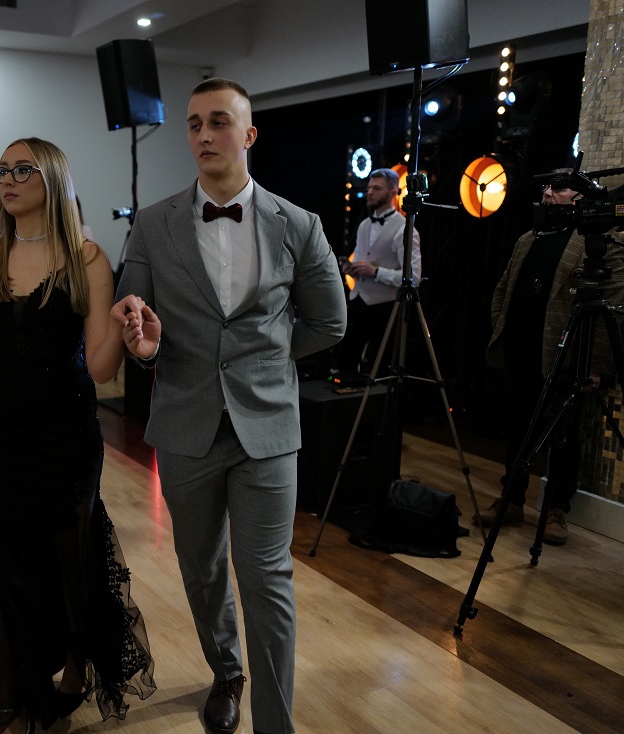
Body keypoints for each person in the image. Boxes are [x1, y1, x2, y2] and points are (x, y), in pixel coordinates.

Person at [112, 78, 347, 734]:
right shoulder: (152, 224)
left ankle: (275, 725)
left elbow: (330, 322)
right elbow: (136, 319)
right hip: (184, 423)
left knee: (267, 577)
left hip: (266, 427)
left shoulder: (299, 224)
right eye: (194, 124)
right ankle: (227, 671)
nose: (204, 135)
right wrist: (144, 345)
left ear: (248, 134)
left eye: (218, 122)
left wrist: (261, 360)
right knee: (202, 568)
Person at [0, 137, 156, 734]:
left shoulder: (87, 259)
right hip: (1, 434)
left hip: (65, 435)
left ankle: (75, 665)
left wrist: (131, 340)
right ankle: (14, 690)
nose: (7, 181)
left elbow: (101, 368)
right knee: (3, 561)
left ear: (53, 179)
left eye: (22, 170)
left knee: (68, 558)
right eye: (2, 171)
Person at [476, 177, 624, 545]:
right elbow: (503, 289)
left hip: (565, 356)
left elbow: (613, 308)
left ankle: (557, 509)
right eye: (545, 188)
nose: (546, 194)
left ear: (580, 198)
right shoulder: (527, 239)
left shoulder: (597, 244)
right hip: (520, 350)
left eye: (557, 189)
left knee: (563, 436)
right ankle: (512, 499)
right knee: (517, 428)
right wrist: (502, 326)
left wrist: (596, 365)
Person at [336, 168, 421, 374]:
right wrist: (351, 268)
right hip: (358, 300)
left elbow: (414, 277)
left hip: (385, 307)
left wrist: (375, 272)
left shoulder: (405, 228)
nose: (370, 192)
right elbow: (361, 257)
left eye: (377, 188)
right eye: (369, 188)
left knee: (378, 367)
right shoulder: (364, 225)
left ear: (393, 193)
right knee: (345, 361)